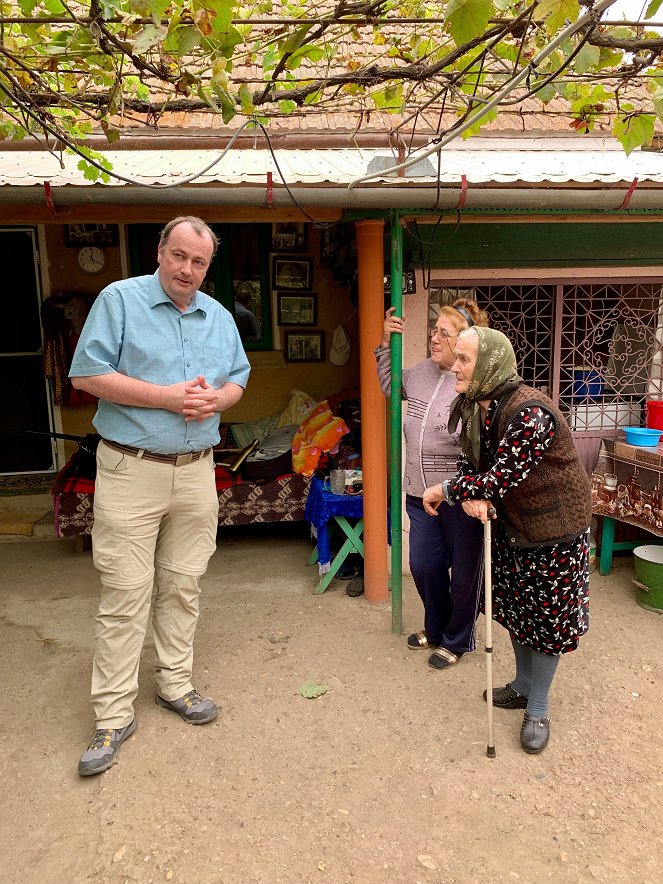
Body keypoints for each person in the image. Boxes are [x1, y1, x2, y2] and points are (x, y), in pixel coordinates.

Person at [69, 216, 251, 777]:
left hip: (197, 470)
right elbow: (86, 374)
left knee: (183, 583)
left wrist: (217, 401)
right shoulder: (119, 301)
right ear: (160, 252)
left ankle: (175, 685)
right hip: (132, 468)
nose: (187, 270)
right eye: (179, 257)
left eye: (198, 262)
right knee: (125, 592)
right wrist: (167, 399)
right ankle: (113, 714)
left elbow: (238, 379)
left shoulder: (218, 316)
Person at [422, 327, 591, 753]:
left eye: (464, 359)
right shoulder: (480, 407)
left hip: (554, 531)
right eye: (455, 358)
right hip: (516, 528)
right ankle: (520, 685)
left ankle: (537, 706)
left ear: (492, 364)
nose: (454, 366)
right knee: (517, 610)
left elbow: (501, 475)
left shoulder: (530, 413)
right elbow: (474, 461)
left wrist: (450, 490)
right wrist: (473, 490)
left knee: (547, 622)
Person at [375, 298, 490, 670]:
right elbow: (391, 387)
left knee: (465, 573)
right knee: (424, 566)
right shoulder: (421, 372)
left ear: (464, 342)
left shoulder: (473, 381)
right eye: (434, 329)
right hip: (417, 491)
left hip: (458, 497)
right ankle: (436, 628)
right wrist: (385, 342)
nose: (434, 337)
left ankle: (457, 638)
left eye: (444, 332)